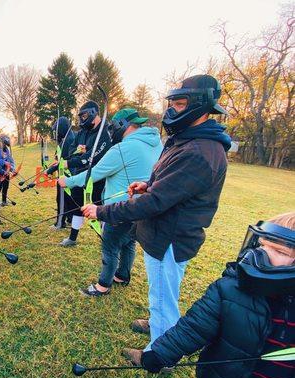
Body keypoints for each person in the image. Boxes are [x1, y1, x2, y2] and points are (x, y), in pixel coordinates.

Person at [82, 75, 232, 360]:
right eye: (172, 103)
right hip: (162, 233)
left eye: (179, 103)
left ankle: (159, 354)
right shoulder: (186, 141)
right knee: (160, 293)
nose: (172, 109)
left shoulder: (200, 151)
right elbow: (171, 187)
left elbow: (153, 204)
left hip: (170, 238)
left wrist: (101, 210)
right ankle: (158, 325)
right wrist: (147, 184)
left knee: (164, 298)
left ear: (199, 106)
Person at [140, 212, 295, 378]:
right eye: (262, 245)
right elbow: (195, 326)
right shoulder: (231, 287)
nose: (261, 255)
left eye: (279, 251)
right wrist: (162, 352)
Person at [59, 108, 163, 296]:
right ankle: (122, 275)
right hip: (142, 207)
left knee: (111, 244)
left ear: (122, 125)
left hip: (121, 208)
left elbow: (95, 173)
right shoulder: (156, 144)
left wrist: (68, 181)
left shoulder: (122, 148)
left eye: (114, 126)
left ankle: (103, 286)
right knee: (129, 242)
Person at [59, 101, 112, 246]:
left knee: (99, 209)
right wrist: (78, 152)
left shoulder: (105, 133)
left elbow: (93, 157)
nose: (82, 119)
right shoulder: (82, 132)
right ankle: (72, 238)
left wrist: (78, 158)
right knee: (77, 206)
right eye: (80, 116)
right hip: (79, 176)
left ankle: (105, 241)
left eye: (85, 115)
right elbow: (70, 151)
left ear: (94, 113)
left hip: (98, 179)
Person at [45, 116, 76, 230]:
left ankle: (60, 223)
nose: (56, 133)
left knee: (62, 199)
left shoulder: (67, 141)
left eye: (57, 130)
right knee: (68, 199)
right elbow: (60, 159)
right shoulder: (69, 137)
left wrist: (49, 171)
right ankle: (70, 218)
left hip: (66, 175)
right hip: (70, 175)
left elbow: (62, 162)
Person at [0, 135, 15, 207]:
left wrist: (12, 168)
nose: (5, 145)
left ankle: (4, 201)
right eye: (4, 144)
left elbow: (11, 160)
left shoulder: (7, 150)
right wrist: (4, 163)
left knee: (5, 187)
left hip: (7, 172)